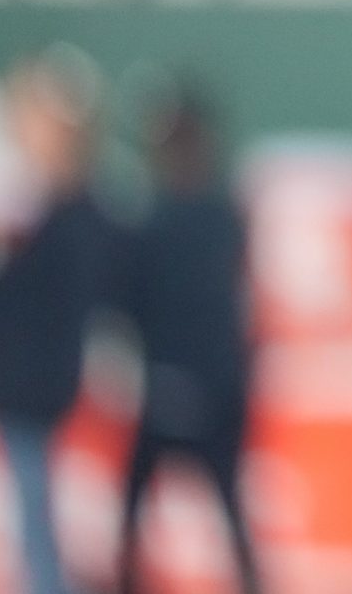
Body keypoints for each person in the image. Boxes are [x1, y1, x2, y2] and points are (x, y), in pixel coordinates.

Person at [116, 86, 261, 594]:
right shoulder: (224, 215)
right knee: (220, 498)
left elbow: (134, 303)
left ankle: (128, 580)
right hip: (219, 377)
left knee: (141, 494)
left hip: (181, 376)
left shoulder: (158, 222)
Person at [0, 51, 111, 594]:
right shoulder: (35, 192)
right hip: (34, 373)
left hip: (30, 377)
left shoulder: (62, 204)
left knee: (36, 496)